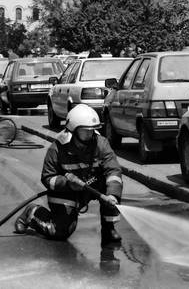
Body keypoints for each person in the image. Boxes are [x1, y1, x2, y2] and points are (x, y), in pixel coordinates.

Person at [14, 104, 123, 245]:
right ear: (73, 130)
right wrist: (68, 184)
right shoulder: (57, 149)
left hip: (90, 186)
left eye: (92, 130)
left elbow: (113, 170)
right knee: (60, 232)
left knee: (112, 184)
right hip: (64, 193)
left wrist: (112, 195)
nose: (90, 135)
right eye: (85, 131)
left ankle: (108, 229)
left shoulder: (101, 144)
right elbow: (47, 178)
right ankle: (32, 213)